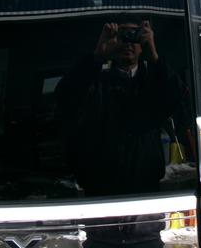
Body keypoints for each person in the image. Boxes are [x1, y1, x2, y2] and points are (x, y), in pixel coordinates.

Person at [55, 16, 185, 197]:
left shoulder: (152, 83)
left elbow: (177, 97)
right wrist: (97, 56)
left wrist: (154, 57)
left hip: (146, 185)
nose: (128, 42)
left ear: (142, 43)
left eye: (134, 36)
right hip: (101, 187)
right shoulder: (96, 83)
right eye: (122, 36)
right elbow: (64, 96)